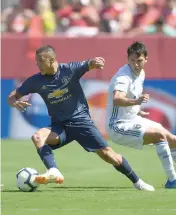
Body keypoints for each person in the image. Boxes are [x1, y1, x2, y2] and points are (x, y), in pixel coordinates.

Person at [8, 45, 154, 191]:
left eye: (40, 61)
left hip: (80, 122)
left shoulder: (69, 70)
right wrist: (14, 101)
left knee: (109, 156)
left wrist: (95, 62)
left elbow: (87, 64)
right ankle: (53, 170)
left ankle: (138, 182)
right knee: (38, 137)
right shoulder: (36, 80)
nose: (37, 64)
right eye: (37, 61)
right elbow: (12, 96)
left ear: (52, 60)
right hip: (60, 127)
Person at [106, 41, 176, 189]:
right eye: (132, 60)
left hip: (132, 118)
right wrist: (136, 101)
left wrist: (136, 108)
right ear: (128, 59)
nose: (136, 64)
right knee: (159, 136)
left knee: (173, 139)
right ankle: (172, 180)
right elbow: (117, 99)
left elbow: (127, 101)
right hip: (117, 125)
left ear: (146, 59)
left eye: (139, 61)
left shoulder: (141, 73)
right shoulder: (123, 77)